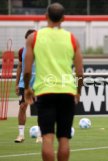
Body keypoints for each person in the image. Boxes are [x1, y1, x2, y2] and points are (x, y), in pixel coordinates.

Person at [24, 3, 83, 161]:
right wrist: (78, 91)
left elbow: (27, 69)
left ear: (45, 16)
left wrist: (27, 88)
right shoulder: (72, 39)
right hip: (67, 92)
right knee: (64, 138)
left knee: (47, 138)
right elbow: (79, 72)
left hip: (45, 92)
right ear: (63, 18)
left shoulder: (34, 37)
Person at [14, 29, 42, 143]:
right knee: (22, 107)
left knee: (40, 109)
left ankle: (40, 135)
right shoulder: (22, 51)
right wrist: (16, 84)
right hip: (24, 84)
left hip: (39, 84)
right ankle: (21, 135)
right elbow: (20, 67)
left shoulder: (42, 51)